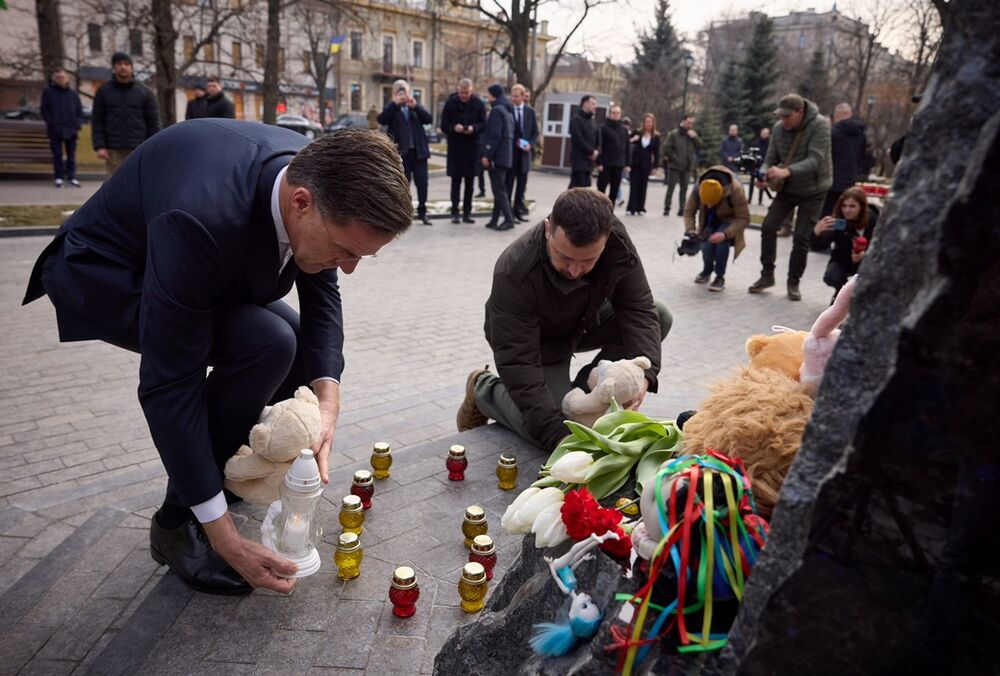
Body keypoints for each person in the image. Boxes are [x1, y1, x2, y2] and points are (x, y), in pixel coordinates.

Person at [21, 122, 413, 596]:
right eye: (345, 252)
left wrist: (328, 402)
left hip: (198, 259)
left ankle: (220, 477)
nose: (348, 267)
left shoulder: (317, 179)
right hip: (110, 271)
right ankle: (176, 525)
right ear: (301, 203)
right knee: (267, 342)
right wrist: (224, 537)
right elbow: (169, 384)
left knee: (290, 342)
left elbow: (322, 301)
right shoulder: (201, 218)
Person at [456, 188, 673, 451]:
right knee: (553, 424)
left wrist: (645, 375)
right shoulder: (514, 271)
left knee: (660, 315)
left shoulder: (616, 241)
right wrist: (556, 435)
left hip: (581, 323)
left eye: (588, 261)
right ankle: (484, 389)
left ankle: (585, 389)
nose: (574, 270)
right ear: (549, 228)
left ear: (606, 240)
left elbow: (638, 308)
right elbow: (518, 362)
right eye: (564, 257)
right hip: (533, 342)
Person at [748, 94, 832, 301]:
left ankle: (793, 282)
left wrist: (786, 172)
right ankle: (767, 275)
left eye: (788, 116)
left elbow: (816, 159)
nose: (784, 120)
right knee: (768, 226)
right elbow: (770, 158)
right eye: (781, 116)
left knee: (801, 237)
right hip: (788, 188)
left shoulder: (819, 126)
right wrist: (764, 174)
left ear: (800, 112)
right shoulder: (778, 129)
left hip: (814, 190)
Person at [682, 165, 750, 292]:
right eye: (705, 202)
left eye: (710, 203)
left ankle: (720, 276)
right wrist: (691, 230)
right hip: (709, 219)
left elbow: (744, 218)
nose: (707, 205)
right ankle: (707, 270)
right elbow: (689, 211)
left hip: (729, 220)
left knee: (721, 243)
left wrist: (726, 234)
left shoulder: (735, 189)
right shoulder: (699, 188)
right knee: (706, 244)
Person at [91, 52, 160, 175]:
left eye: (127, 64)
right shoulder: (103, 91)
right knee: (115, 186)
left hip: (139, 148)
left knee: (139, 183)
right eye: (119, 64)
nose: (123, 67)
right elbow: (97, 121)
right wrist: (100, 146)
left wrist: (153, 146)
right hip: (113, 149)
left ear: (131, 67)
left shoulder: (145, 92)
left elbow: (153, 122)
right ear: (114, 67)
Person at [378, 79, 433, 225]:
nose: (403, 95)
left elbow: (428, 119)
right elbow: (382, 119)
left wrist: (416, 107)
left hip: (419, 152)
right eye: (399, 92)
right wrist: (395, 104)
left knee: (422, 183)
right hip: (403, 154)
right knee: (403, 185)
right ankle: (404, 213)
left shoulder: (414, 107)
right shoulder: (392, 108)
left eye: (405, 91)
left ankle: (422, 211)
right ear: (395, 93)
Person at [813, 186, 878, 298]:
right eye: (844, 206)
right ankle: (841, 292)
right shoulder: (839, 222)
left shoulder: (873, 220)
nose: (847, 210)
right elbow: (819, 246)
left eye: (852, 206)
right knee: (831, 276)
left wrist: (865, 255)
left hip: (867, 261)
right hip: (843, 259)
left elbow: (881, 248)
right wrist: (816, 233)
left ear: (861, 207)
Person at [440, 78, 486, 223]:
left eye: (466, 93)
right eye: (461, 92)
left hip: (472, 148)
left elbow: (484, 124)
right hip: (456, 148)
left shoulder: (478, 104)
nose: (464, 95)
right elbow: (443, 125)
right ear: (458, 90)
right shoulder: (450, 103)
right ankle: (455, 212)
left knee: (470, 183)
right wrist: (454, 128)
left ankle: (467, 213)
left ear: (471, 91)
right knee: (456, 182)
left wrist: (474, 128)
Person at [821, 103, 867, 219]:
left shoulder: (833, 133)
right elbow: (862, 156)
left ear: (836, 116)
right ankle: (840, 235)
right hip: (850, 180)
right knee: (843, 213)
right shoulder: (861, 135)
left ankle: (824, 236)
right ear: (850, 115)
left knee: (826, 213)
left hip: (831, 180)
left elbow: (826, 156)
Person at [39, 68, 83, 188]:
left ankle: (71, 177)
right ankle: (58, 177)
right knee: (57, 154)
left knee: (71, 155)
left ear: (67, 79)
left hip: (71, 129)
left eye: (62, 77)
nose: (60, 79)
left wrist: (77, 124)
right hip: (55, 130)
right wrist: (51, 123)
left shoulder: (73, 94)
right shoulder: (48, 92)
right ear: (54, 79)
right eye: (58, 77)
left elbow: (79, 111)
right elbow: (44, 110)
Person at [482, 84, 515, 231]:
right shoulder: (507, 110)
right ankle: (494, 219)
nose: (487, 97)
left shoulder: (496, 111)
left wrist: (487, 155)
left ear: (493, 95)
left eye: (488, 95)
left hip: (497, 157)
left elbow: (494, 136)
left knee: (499, 190)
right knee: (499, 189)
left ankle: (509, 219)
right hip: (506, 156)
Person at [662, 114, 702, 216]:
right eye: (688, 123)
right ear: (683, 121)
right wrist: (676, 159)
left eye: (691, 123)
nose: (690, 125)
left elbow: (700, 146)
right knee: (671, 188)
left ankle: (682, 208)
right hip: (675, 166)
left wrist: (695, 137)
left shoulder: (692, 135)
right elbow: (667, 148)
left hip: (687, 167)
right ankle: (667, 208)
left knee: (684, 189)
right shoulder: (674, 134)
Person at [509, 84, 538, 222]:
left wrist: (530, 145)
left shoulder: (530, 112)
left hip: (524, 155)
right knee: (508, 185)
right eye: (512, 96)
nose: (513, 98)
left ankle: (517, 211)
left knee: (521, 186)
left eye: (516, 96)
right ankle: (508, 213)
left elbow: (535, 133)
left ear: (522, 97)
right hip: (511, 154)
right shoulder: (508, 110)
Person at [625, 113, 660, 216]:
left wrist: (655, 167)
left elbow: (656, 152)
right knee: (633, 185)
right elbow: (626, 143)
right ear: (643, 123)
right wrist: (633, 139)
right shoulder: (637, 133)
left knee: (643, 186)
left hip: (646, 164)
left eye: (650, 122)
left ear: (653, 123)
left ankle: (641, 207)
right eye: (646, 122)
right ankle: (631, 207)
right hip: (635, 163)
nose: (648, 124)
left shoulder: (656, 136)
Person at [596, 105, 628, 210]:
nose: (616, 115)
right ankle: (600, 210)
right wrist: (599, 163)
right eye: (614, 113)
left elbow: (627, 148)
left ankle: (610, 212)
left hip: (619, 164)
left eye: (618, 113)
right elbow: (599, 146)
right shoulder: (603, 128)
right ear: (610, 114)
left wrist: (627, 164)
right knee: (601, 189)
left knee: (614, 190)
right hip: (605, 164)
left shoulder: (624, 130)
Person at [569, 94, 599, 188]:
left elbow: (596, 138)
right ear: (585, 104)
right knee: (577, 187)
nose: (595, 106)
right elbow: (578, 139)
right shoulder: (576, 119)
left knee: (584, 187)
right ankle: (566, 203)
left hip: (589, 161)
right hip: (579, 160)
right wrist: (591, 151)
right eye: (593, 104)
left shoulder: (591, 121)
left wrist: (596, 151)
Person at [746, 127, 770, 205]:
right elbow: (751, 154)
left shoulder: (769, 144)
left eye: (765, 134)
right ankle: (749, 199)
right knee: (752, 183)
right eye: (763, 133)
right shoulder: (756, 143)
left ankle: (760, 200)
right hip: (755, 165)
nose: (764, 135)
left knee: (762, 182)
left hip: (764, 165)